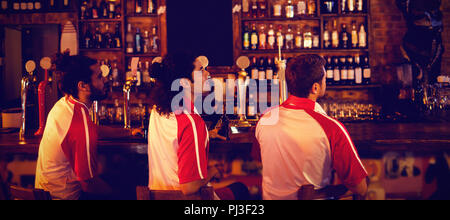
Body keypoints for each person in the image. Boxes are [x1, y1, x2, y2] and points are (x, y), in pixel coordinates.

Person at [255, 54, 368, 200]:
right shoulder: (331, 128)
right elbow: (360, 187)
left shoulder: (265, 119)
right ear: (315, 88)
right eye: (324, 79)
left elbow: (259, 158)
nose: (325, 82)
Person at [35, 52, 139, 200]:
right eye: (98, 77)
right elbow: (88, 183)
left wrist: (128, 132)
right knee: (126, 187)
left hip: (47, 193)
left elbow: (93, 129)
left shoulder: (65, 104)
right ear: (83, 86)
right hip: (66, 197)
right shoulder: (78, 121)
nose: (104, 80)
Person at [147, 53, 249, 199]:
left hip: (160, 195)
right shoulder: (191, 123)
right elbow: (189, 187)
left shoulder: (158, 111)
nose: (208, 73)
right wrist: (212, 171)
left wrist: (205, 134)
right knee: (240, 189)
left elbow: (175, 138)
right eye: (201, 70)